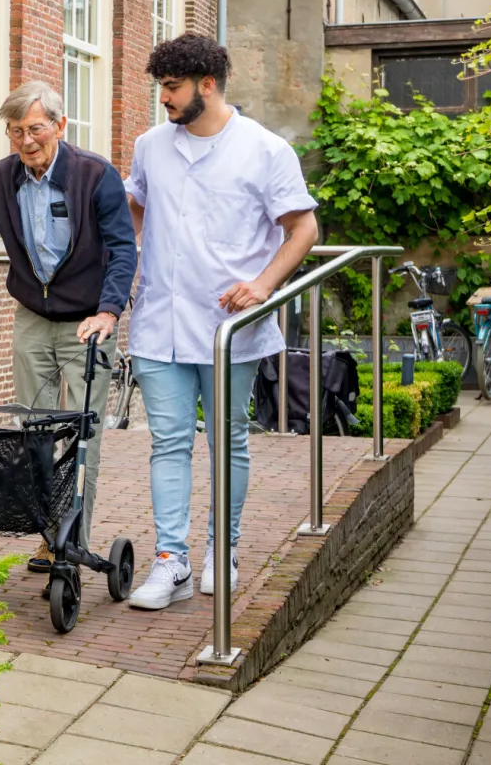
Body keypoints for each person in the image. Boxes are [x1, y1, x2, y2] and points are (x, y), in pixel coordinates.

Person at [122, 34, 319, 611]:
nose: (164, 98)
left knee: (226, 441)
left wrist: (262, 285)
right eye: (161, 87)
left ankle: (221, 551)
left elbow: (303, 230)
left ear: (207, 85)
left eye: (173, 87)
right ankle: (170, 561)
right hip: (159, 320)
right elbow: (133, 206)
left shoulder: (264, 150)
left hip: (230, 326)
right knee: (168, 443)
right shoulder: (150, 146)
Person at [0, 81, 137, 572]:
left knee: (82, 434)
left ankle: (71, 542)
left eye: (35, 128)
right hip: (33, 317)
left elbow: (123, 249)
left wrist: (108, 311)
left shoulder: (95, 175)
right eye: (16, 132)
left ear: (59, 124)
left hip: (88, 322)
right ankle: (46, 535)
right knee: (33, 430)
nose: (26, 141)